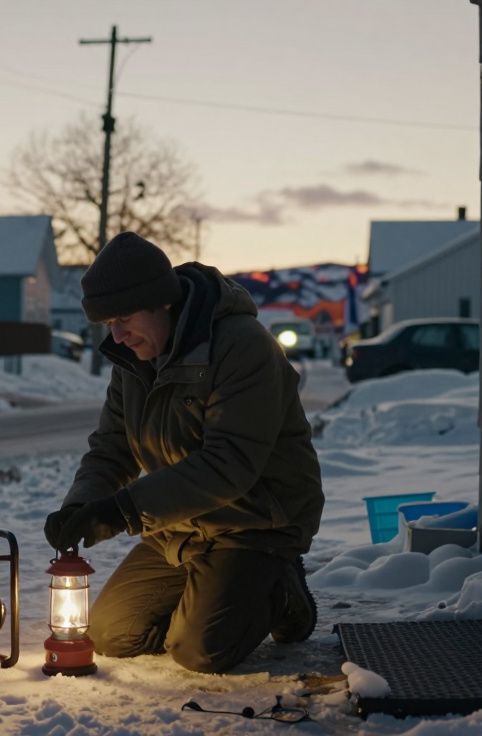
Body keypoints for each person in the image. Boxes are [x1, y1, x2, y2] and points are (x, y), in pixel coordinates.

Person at [44, 231, 325, 674]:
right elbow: (111, 449)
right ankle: (212, 597)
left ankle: (278, 588)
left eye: (124, 318)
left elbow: (228, 463)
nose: (116, 336)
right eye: (107, 324)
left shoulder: (241, 346)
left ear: (162, 303)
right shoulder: (132, 362)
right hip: (179, 528)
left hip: (253, 523)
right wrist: (80, 506)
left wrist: (122, 512)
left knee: (199, 651)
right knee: (112, 635)